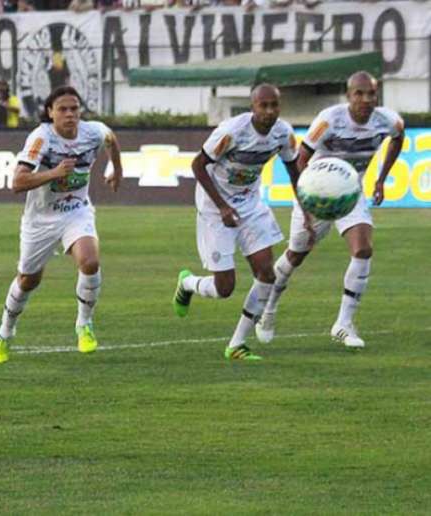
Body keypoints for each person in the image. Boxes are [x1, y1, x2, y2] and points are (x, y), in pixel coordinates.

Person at [255, 71, 405, 349]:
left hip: (350, 193)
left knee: (363, 249)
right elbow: (301, 159)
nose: (365, 99)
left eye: (371, 93)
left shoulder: (388, 120)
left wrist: (381, 178)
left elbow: (398, 137)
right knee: (295, 256)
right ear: (348, 96)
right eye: (359, 93)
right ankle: (268, 310)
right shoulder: (329, 120)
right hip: (318, 194)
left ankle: (343, 324)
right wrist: (306, 202)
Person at [0, 86, 123, 364]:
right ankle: (5, 333)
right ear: (50, 113)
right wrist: (54, 173)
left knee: (90, 261)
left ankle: (84, 324)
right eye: (62, 109)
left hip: (76, 212)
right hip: (41, 220)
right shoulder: (41, 138)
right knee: (28, 280)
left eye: (74, 108)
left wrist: (116, 169)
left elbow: (111, 140)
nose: (70, 114)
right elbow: (17, 182)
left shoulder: (93, 132)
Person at [173, 84, 301, 361]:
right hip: (214, 207)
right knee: (224, 288)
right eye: (263, 105)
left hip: (250, 204)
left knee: (267, 273)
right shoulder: (232, 131)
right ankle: (188, 284)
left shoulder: (283, 133)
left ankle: (236, 344)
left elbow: (293, 170)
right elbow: (198, 165)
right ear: (252, 106)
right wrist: (221, 207)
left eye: (274, 106)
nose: (269, 111)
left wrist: (307, 210)